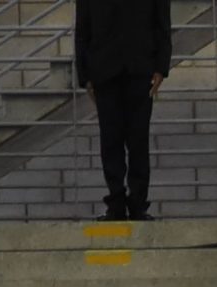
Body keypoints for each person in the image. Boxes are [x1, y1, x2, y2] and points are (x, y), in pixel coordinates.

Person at [75, 0, 171, 219]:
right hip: (105, 70)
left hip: (140, 68)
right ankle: (116, 202)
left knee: (138, 139)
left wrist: (161, 67)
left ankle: (138, 204)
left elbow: (162, 24)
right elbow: (82, 29)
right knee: (111, 140)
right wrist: (85, 76)